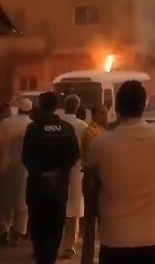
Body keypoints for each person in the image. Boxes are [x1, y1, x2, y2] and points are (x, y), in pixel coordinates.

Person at [90, 80, 155, 264]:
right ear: (144, 106)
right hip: (154, 237)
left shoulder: (100, 143)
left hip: (114, 237)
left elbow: (93, 184)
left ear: (117, 108)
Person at [23, 91, 80, 264]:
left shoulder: (33, 128)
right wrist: (59, 172)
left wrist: (42, 173)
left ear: (40, 105)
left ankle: (42, 258)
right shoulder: (66, 128)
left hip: (37, 188)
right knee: (55, 229)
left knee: (38, 228)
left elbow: (26, 157)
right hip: (58, 188)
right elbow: (74, 155)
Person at [0, 98, 34, 247]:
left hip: (5, 166)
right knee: (22, 204)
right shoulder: (31, 125)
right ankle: (18, 234)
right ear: (30, 110)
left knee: (5, 201)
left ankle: (4, 231)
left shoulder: (6, 123)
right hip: (25, 169)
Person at [58, 95, 89, 260]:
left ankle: (55, 243)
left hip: (57, 170)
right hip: (76, 170)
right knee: (74, 209)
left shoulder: (57, 123)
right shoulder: (82, 125)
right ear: (77, 107)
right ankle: (69, 246)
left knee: (58, 207)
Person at [80, 105, 109, 264]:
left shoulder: (101, 132)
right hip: (92, 178)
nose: (105, 116)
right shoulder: (90, 132)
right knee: (91, 223)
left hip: (101, 178)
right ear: (94, 115)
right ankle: (87, 259)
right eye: (102, 113)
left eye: (106, 113)